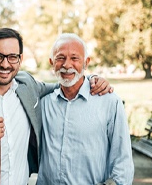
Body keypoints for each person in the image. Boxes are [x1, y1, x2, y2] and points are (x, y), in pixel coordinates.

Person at [0, 28, 112, 185]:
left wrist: (92, 79)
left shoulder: (28, 86)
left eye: (12, 57)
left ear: (20, 59)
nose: (5, 64)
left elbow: (65, 81)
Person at [37, 33, 134, 184]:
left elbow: (123, 160)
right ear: (51, 62)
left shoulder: (109, 102)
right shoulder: (43, 104)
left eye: (74, 58)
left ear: (86, 62)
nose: (67, 65)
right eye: (60, 58)